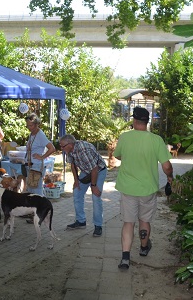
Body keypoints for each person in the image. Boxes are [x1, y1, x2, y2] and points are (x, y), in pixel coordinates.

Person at [113, 106, 173, 270]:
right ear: (148, 122)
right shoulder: (156, 140)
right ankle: (144, 247)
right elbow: (167, 166)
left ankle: (125, 258)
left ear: (133, 120)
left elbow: (117, 155)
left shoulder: (124, 138)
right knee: (144, 220)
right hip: (148, 189)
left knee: (128, 222)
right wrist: (170, 176)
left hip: (128, 188)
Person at [59, 134, 107, 236]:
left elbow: (94, 169)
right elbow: (73, 165)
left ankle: (98, 226)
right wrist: (76, 180)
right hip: (86, 171)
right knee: (77, 192)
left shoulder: (83, 150)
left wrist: (94, 186)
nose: (61, 148)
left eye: (63, 146)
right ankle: (80, 221)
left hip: (99, 170)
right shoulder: (69, 150)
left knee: (95, 197)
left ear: (70, 144)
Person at [24, 113, 55, 196]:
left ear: (36, 124)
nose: (29, 128)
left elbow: (52, 148)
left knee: (37, 190)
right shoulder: (32, 134)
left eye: (31, 125)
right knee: (31, 189)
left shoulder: (40, 135)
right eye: (28, 125)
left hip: (36, 166)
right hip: (30, 164)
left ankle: (41, 207)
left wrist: (42, 157)